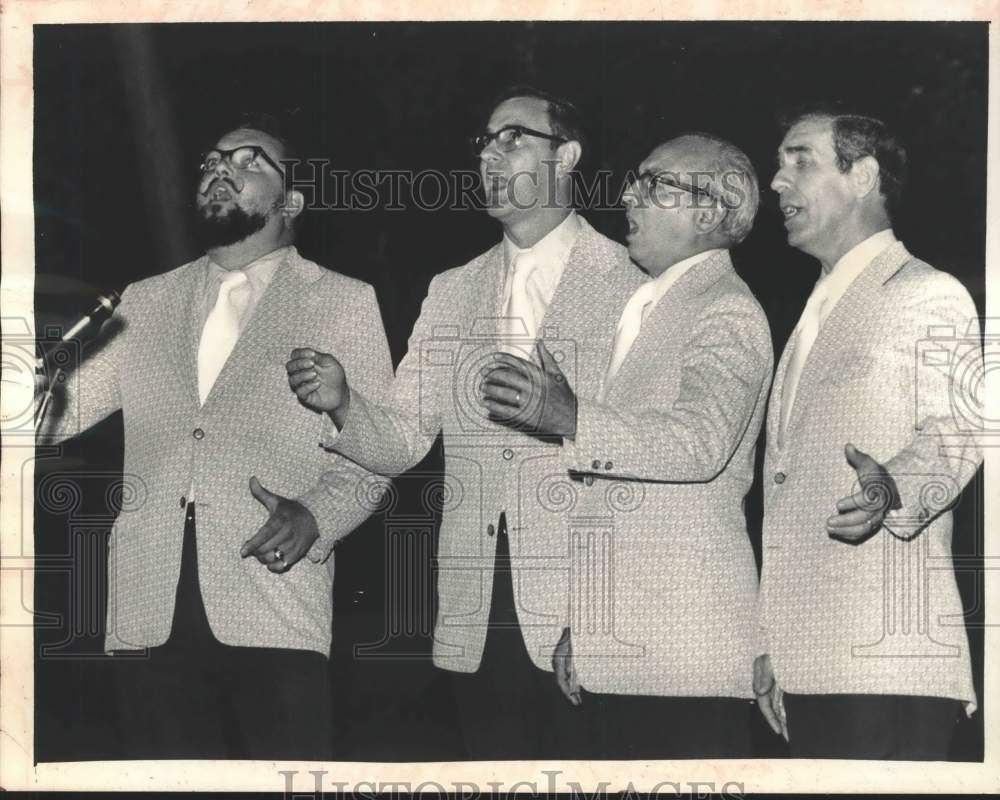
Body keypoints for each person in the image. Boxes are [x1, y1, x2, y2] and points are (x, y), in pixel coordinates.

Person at [285, 87, 642, 759]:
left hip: (596, 610)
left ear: (566, 155)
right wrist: (343, 401)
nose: (491, 154)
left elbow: (652, 458)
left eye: (514, 138)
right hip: (477, 616)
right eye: (485, 141)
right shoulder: (451, 290)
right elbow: (402, 439)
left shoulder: (632, 279)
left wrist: (600, 613)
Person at [37, 113, 393, 760]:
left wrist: (317, 515)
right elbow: (50, 417)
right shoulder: (143, 301)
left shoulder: (343, 301)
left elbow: (376, 450)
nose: (220, 168)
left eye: (250, 159)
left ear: (292, 201)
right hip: (147, 610)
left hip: (273, 606)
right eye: (209, 161)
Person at [481, 133, 772, 757]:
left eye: (655, 184)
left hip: (683, 654)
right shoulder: (649, 306)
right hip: (619, 647)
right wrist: (581, 628)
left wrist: (572, 415)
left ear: (710, 212)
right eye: (636, 180)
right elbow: (615, 492)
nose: (628, 195)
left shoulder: (726, 309)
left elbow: (701, 442)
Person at [755, 108, 983, 759]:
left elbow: (963, 426)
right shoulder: (813, 309)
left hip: (887, 662)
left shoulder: (927, 292)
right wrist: (770, 643)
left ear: (863, 176)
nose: (777, 182)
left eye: (800, 159)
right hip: (809, 667)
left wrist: (894, 488)